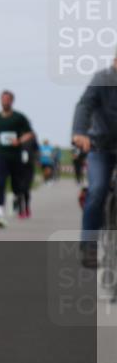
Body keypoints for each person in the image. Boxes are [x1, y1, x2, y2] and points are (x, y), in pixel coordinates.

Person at [71, 51, 117, 268]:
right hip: (100, 146)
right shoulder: (103, 79)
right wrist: (80, 132)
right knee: (97, 188)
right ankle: (89, 246)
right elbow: (84, 105)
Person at [0, 90, 34, 227]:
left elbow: (29, 134)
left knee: (16, 184)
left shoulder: (19, 117)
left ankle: (16, 199)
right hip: (1, 154)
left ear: (12, 101)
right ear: (0, 101)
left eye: (8, 99)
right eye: (3, 99)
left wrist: (19, 141)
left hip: (15, 155)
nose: (5, 101)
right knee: (0, 181)